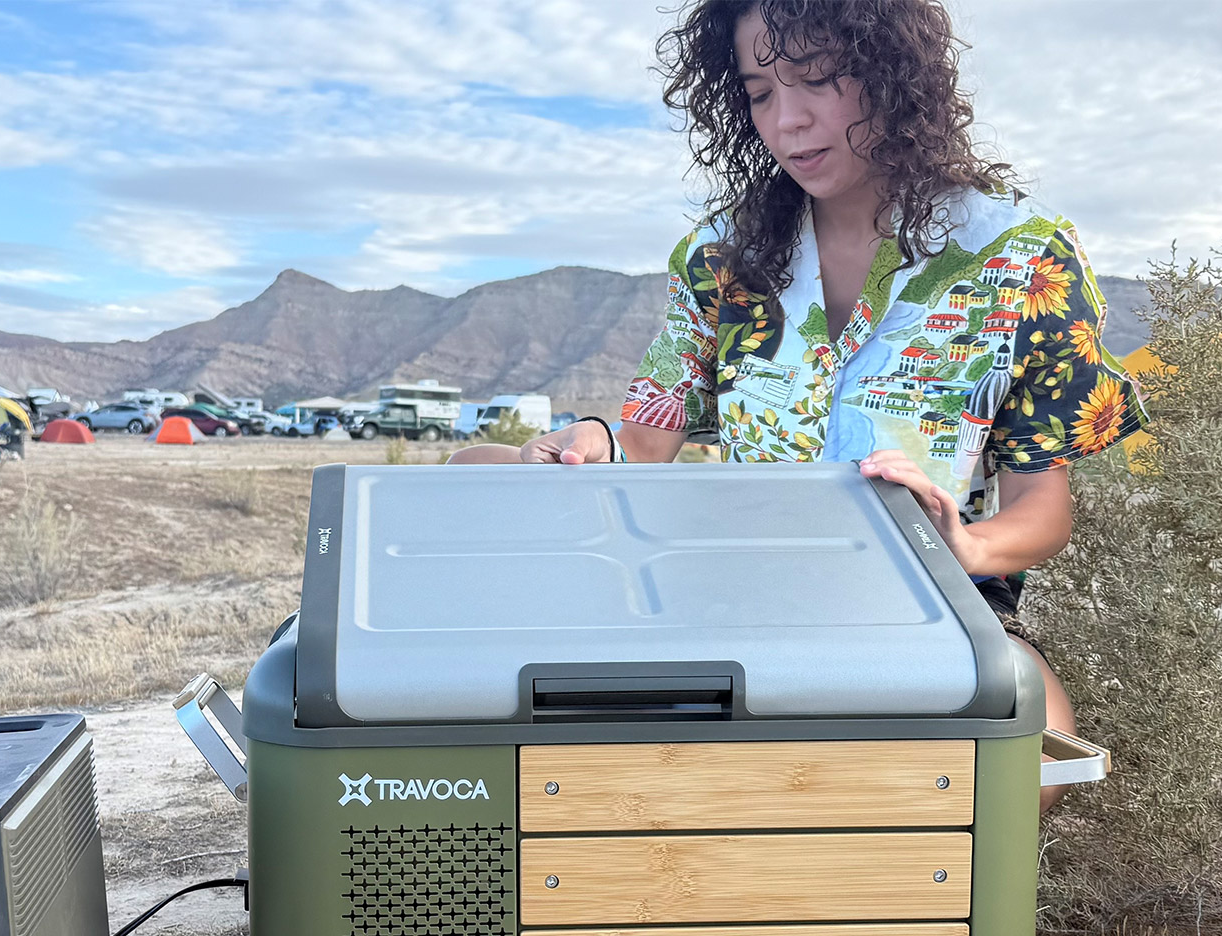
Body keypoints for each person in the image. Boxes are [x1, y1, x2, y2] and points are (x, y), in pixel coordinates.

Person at [451, 0, 1144, 813]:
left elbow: (1042, 508)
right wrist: (587, 444)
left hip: (928, 594)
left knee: (1024, 753)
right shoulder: (720, 259)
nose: (788, 121)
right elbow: (642, 443)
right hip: (738, 583)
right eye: (758, 92)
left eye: (817, 78)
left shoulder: (1021, 259)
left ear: (894, 71)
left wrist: (965, 543)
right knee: (473, 476)